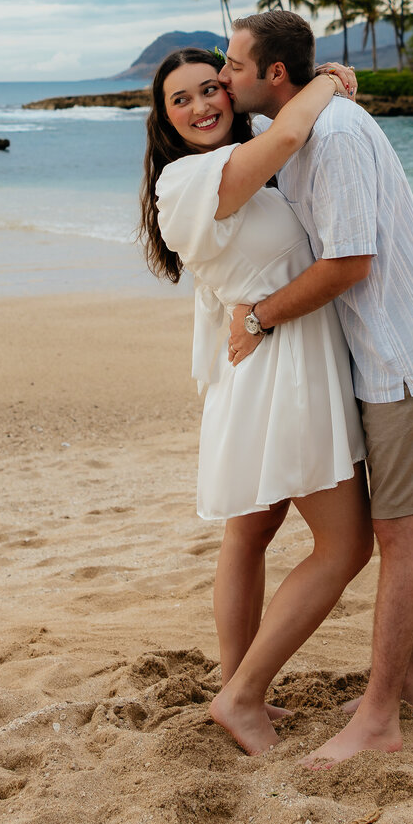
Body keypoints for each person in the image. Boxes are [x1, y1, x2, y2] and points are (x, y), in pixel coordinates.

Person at [218, 10, 413, 768]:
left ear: (273, 74)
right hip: (372, 359)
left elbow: (350, 262)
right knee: (400, 524)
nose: (224, 77)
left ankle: (381, 715)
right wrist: (330, 80)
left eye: (234, 65)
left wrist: (258, 318)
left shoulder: (333, 138)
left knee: (402, 530)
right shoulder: (300, 129)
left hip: (406, 356)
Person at [139, 45, 371, 756]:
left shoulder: (244, 171)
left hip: (267, 361)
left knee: (250, 536)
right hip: (280, 372)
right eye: (183, 99)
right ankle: (241, 696)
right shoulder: (185, 181)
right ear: (165, 120)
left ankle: (241, 691)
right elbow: (290, 133)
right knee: (347, 543)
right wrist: (328, 80)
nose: (204, 105)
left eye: (213, 88)